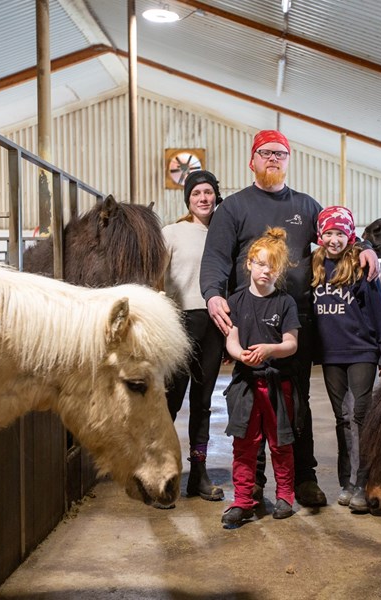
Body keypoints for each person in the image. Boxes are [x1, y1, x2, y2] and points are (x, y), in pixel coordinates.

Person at [200, 129, 380, 507]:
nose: (273, 159)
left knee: (296, 402)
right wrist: (213, 295)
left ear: (288, 161)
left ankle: (304, 478)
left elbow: (337, 230)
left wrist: (364, 247)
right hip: (249, 319)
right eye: (266, 153)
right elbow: (216, 258)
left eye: (280, 154)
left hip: (295, 318)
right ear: (252, 160)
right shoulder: (233, 207)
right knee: (252, 402)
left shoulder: (304, 204)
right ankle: (255, 485)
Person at [311, 206, 381, 513]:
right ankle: (347, 483)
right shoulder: (315, 267)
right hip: (331, 354)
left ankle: (364, 482)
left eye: (339, 234)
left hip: (361, 351)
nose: (334, 240)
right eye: (328, 233)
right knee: (343, 419)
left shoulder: (361, 268)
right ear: (320, 236)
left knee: (361, 415)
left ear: (349, 236)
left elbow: (377, 309)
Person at [221, 228, 300, 528]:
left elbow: (291, 344)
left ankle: (285, 497)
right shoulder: (237, 300)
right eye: (261, 263)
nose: (266, 271)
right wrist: (241, 355)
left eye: (273, 266)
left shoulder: (285, 303)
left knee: (280, 443)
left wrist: (270, 349)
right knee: (244, 444)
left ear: (279, 270)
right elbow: (232, 339)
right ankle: (242, 500)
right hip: (246, 384)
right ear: (250, 264)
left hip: (278, 383)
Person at [162, 170, 226, 501]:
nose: (203, 198)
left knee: (203, 404)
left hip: (214, 324)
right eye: (196, 193)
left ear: (216, 195)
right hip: (180, 323)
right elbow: (155, 278)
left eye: (208, 192)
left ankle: (198, 474)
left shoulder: (225, 232)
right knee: (169, 401)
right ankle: (162, 474)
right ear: (188, 199)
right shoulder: (171, 233)